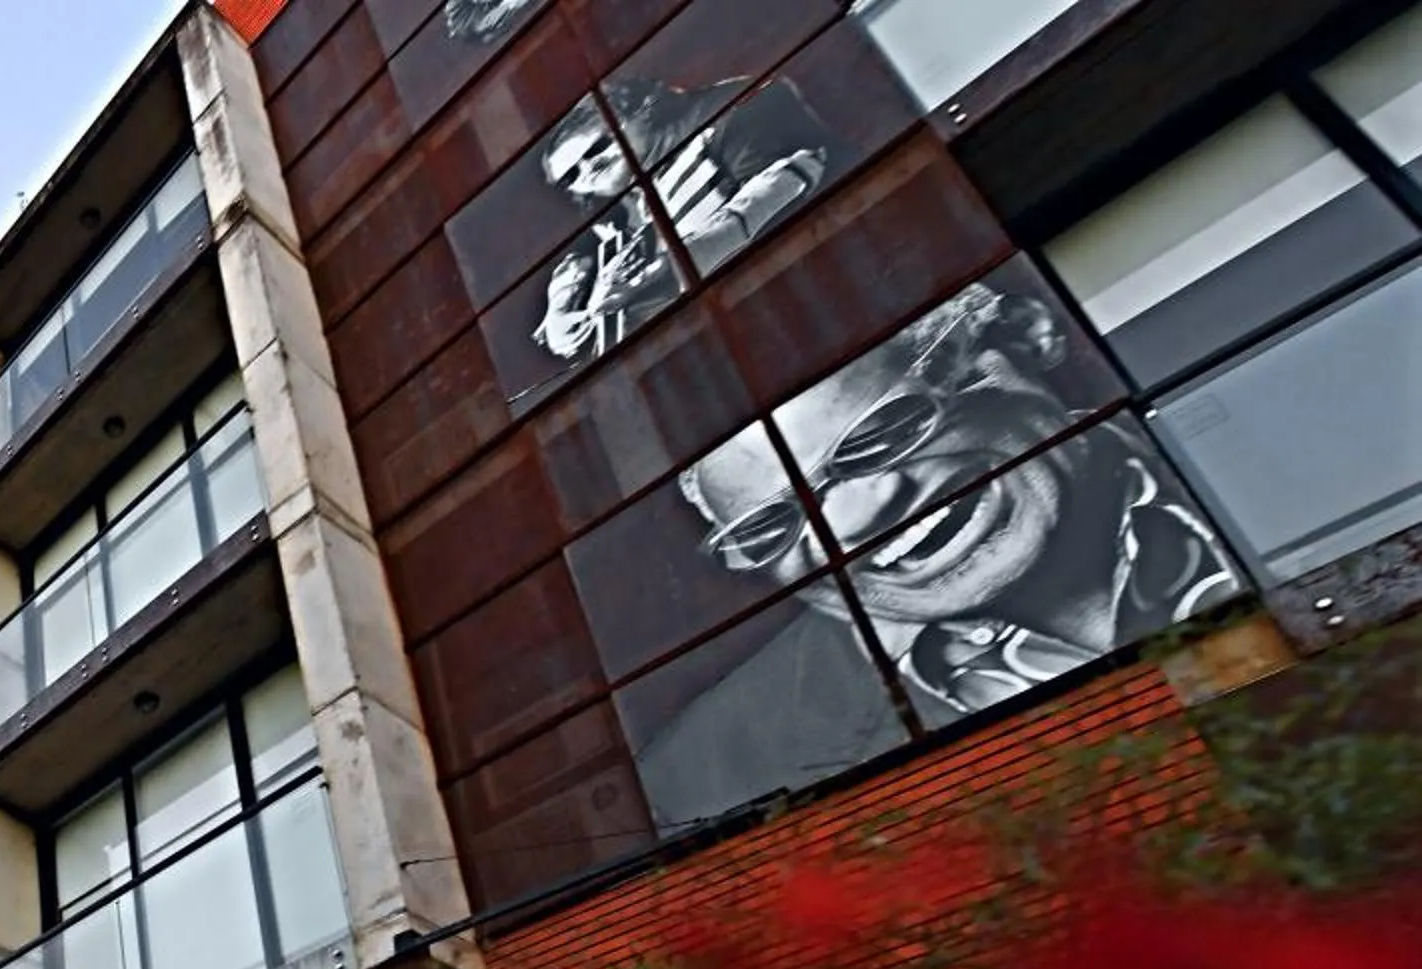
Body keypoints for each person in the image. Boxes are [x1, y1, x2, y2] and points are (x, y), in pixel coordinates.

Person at [676, 281, 1243, 727]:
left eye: (884, 434)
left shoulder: (1252, 411)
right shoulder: (733, 752)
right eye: (775, 524)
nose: (855, 519)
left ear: (1019, 341)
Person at [532, 80, 833, 364]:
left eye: (596, 147)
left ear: (642, 110)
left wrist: (674, 268)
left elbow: (785, 204)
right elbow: (577, 266)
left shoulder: (733, 114)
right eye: (571, 176)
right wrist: (559, 311)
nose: (588, 169)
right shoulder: (622, 213)